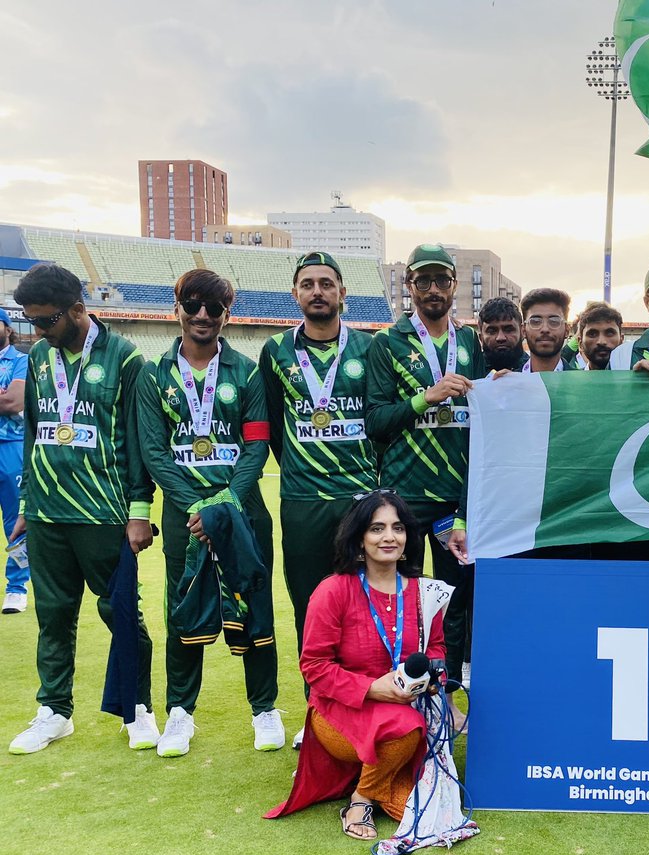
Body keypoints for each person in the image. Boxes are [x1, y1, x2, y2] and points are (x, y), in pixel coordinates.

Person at [7, 264, 157, 754]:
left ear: (76, 310)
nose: (37, 331)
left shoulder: (127, 358)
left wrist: (138, 511)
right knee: (52, 616)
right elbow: (33, 434)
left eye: (45, 321)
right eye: (30, 322)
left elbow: (139, 443)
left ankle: (137, 709)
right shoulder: (40, 359)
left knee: (120, 613)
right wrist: (28, 501)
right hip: (48, 514)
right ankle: (54, 711)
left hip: (104, 513)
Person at [137, 269, 282, 756]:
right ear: (176, 308)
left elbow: (257, 447)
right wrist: (196, 505)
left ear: (227, 314)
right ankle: (180, 713)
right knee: (183, 610)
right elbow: (155, 454)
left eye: (214, 308)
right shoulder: (153, 375)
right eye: (193, 305)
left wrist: (223, 504)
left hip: (242, 513)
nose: (203, 316)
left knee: (254, 603)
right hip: (184, 517)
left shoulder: (246, 371)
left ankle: (264, 710)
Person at [265, 491, 451, 840]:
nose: (389, 537)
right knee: (406, 729)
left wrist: (427, 679)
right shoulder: (333, 590)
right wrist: (371, 688)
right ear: (359, 539)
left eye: (397, 528)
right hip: (340, 709)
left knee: (425, 793)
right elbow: (314, 667)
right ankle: (361, 797)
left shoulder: (425, 592)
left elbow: (436, 647)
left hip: (407, 702)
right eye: (376, 528)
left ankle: (379, 785)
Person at [260, 252, 378, 747]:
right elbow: (270, 426)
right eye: (307, 284)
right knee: (310, 605)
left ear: (342, 293)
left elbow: (379, 417)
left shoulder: (370, 348)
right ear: (295, 294)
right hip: (303, 499)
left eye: (326, 283)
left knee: (366, 603)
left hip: (360, 498)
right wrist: (302, 472)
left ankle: (369, 707)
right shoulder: (275, 351)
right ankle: (318, 711)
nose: (317, 291)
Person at [366, 243, 485, 691]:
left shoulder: (471, 341)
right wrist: (425, 397)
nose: (433, 289)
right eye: (423, 281)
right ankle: (405, 681)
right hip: (405, 497)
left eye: (441, 280)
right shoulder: (388, 343)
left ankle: (452, 681)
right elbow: (375, 422)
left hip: (457, 499)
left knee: (456, 597)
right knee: (406, 597)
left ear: (454, 285)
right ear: (409, 286)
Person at [0, 307, 30, 614]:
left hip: (10, 446)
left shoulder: (21, 361)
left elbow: (13, 401)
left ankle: (17, 587)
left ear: (8, 328)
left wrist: (6, 399)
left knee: (16, 521)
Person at [520, 288, 580, 372]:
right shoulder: (507, 383)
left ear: (567, 330)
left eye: (554, 321)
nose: (545, 329)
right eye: (536, 321)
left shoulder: (584, 383)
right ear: (523, 330)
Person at [478, 298, 526, 372]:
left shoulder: (536, 371)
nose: (500, 338)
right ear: (481, 337)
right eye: (492, 331)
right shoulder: (470, 371)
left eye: (509, 330)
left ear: (522, 332)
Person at [575, 301, 624, 371]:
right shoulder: (568, 380)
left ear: (621, 340)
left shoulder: (636, 379)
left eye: (609, 333)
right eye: (592, 334)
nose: (601, 342)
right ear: (580, 343)